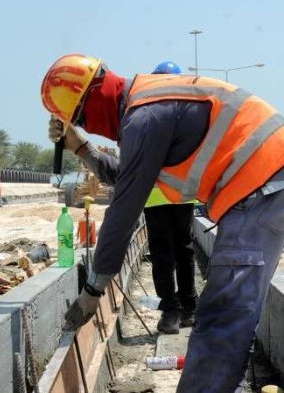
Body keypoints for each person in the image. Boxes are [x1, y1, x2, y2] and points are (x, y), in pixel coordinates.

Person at [41, 54, 284, 392]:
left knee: (222, 317)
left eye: (81, 117)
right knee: (230, 314)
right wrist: (82, 148)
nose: (88, 126)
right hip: (262, 186)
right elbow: (127, 177)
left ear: (95, 93)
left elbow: (123, 210)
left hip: (261, 184)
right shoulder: (146, 107)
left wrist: (94, 289)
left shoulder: (145, 116)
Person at [143, 61, 198, 334]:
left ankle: (182, 309)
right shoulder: (156, 115)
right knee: (172, 252)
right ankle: (177, 309)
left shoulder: (155, 114)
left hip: (175, 194)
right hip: (164, 195)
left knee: (175, 251)